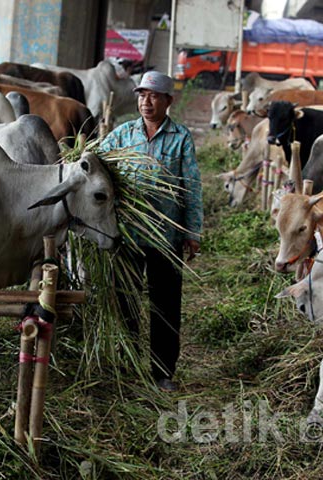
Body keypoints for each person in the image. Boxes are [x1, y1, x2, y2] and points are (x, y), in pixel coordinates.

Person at [101, 71, 203, 392]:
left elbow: (192, 187)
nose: (147, 102)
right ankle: (128, 366)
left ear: (168, 101)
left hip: (166, 236)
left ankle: (162, 372)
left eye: (155, 96)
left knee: (165, 305)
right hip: (128, 235)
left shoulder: (181, 138)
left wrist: (192, 232)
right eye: (143, 95)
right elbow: (95, 164)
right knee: (126, 302)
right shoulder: (122, 135)